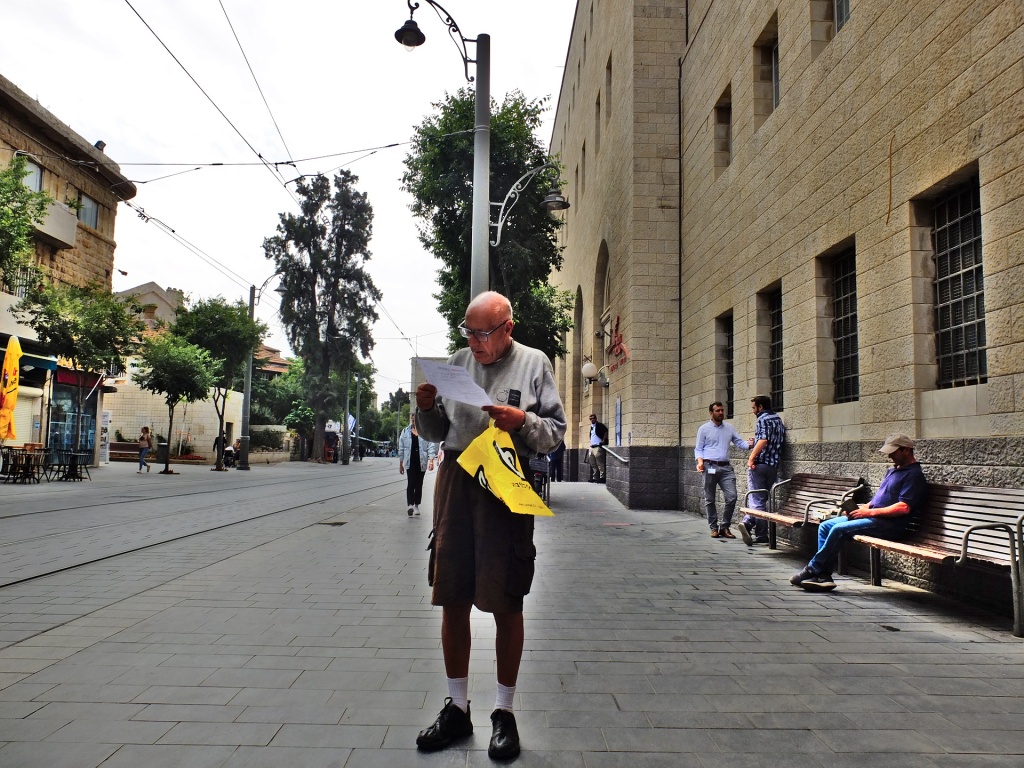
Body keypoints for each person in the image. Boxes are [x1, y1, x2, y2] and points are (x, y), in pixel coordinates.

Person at [414, 291, 566, 760]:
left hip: (506, 484)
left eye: (483, 333)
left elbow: (555, 434)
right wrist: (425, 408)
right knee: (452, 594)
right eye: (469, 331)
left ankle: (504, 712)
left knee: (507, 598)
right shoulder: (457, 362)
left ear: (507, 328)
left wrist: (522, 421)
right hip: (458, 481)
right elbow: (439, 431)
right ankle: (457, 709)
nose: (474, 342)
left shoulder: (534, 363)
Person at [791, 434, 927, 591]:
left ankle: (812, 569)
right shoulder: (893, 471)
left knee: (838, 529)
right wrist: (862, 509)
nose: (889, 455)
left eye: (893, 452)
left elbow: (904, 507)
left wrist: (869, 513)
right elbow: (879, 499)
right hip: (874, 518)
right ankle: (824, 576)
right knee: (826, 526)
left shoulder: (914, 475)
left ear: (906, 450)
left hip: (889, 525)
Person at [695, 401, 749, 539]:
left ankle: (725, 527)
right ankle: (714, 528)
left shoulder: (729, 428)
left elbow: (739, 442)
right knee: (710, 499)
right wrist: (700, 462)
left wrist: (751, 444)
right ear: (711, 413)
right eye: (718, 410)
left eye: (722, 410)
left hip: (725, 467)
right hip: (709, 466)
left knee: (732, 497)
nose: (721, 413)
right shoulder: (704, 429)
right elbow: (698, 448)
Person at [740, 395, 785, 546]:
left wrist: (751, 458)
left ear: (760, 407)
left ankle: (748, 523)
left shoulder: (762, 419)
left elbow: (764, 440)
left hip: (759, 465)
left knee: (756, 500)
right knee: (762, 498)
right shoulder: (777, 418)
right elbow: (771, 439)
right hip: (773, 465)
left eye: (754, 408)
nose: (753, 411)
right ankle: (761, 534)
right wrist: (756, 441)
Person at [398, 422, 437, 516]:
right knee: (411, 482)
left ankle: (416, 505)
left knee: (419, 484)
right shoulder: (405, 431)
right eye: (413, 419)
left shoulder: (425, 431)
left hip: (421, 462)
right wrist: (401, 463)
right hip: (409, 461)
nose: (414, 421)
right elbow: (401, 447)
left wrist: (431, 461)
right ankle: (410, 505)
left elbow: (431, 446)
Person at [588, 413, 609, 482]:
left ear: (596, 418)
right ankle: (595, 477)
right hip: (592, 447)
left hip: (598, 447)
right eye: (590, 418)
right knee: (593, 463)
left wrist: (603, 441)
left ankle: (602, 477)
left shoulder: (599, 425)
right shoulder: (591, 427)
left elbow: (606, 431)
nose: (592, 419)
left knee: (600, 463)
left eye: (593, 418)